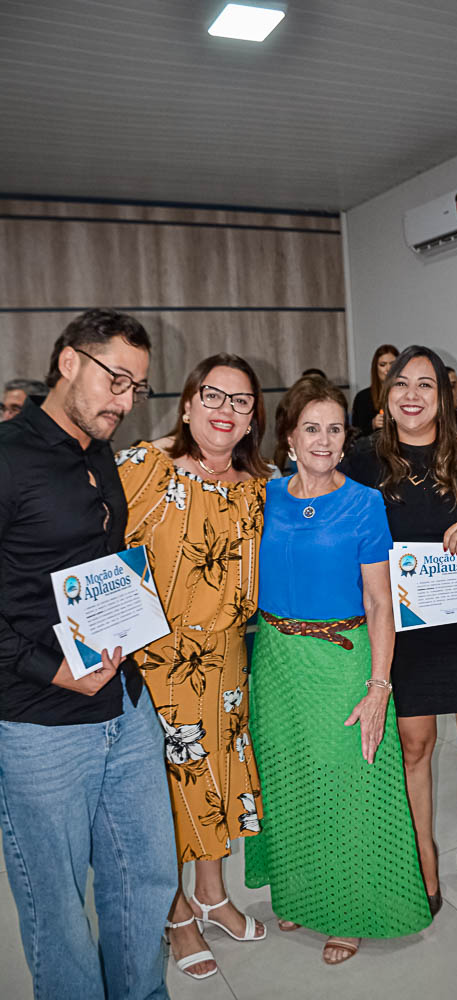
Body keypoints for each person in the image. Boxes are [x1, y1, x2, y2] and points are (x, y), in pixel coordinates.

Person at [0, 309, 177, 999]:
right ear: (68, 361)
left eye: (137, 388)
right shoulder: (8, 458)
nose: (125, 402)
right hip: (41, 722)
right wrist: (51, 668)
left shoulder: (99, 450)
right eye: (117, 380)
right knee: (58, 908)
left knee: (146, 876)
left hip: (126, 703)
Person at [244, 376, 431, 965]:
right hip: (275, 660)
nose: (324, 440)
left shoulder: (363, 502)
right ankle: (301, 891)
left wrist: (380, 686)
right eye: (311, 428)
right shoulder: (264, 496)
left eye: (333, 429)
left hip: (343, 660)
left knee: (347, 784)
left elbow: (380, 603)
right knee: (288, 778)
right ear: (289, 438)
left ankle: (349, 909)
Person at [343, 345, 457, 924]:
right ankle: (425, 858)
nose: (412, 395)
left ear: (444, 395)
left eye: (425, 385)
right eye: (401, 385)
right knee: (414, 751)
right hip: (405, 633)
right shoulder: (364, 458)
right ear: (386, 396)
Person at [116, 353, 270, 981]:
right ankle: (174, 911)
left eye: (239, 401)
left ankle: (212, 892)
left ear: (253, 415)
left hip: (230, 659)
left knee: (221, 778)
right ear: (186, 404)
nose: (225, 410)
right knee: (168, 793)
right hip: (158, 661)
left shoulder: (262, 485)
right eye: (212, 396)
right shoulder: (147, 469)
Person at [351, 343, 399, 436]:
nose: (388, 369)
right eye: (383, 365)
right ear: (375, 368)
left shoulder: (407, 395)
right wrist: (372, 424)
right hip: (373, 447)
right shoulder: (363, 397)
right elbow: (355, 433)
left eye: (392, 364)